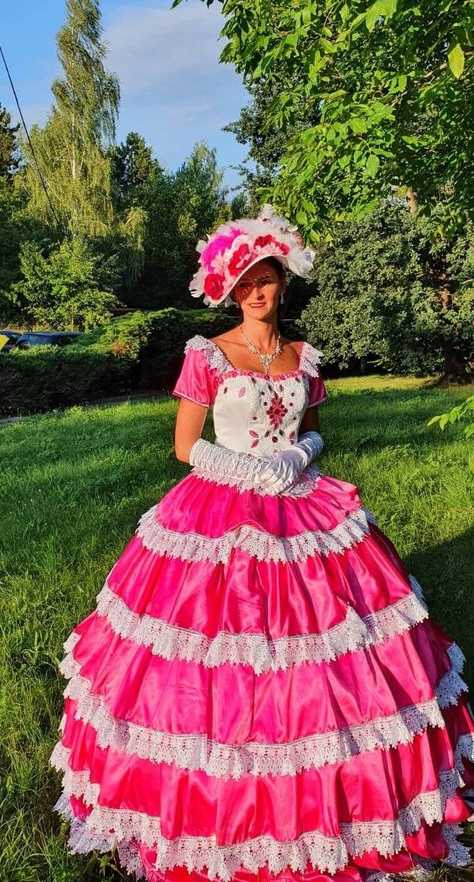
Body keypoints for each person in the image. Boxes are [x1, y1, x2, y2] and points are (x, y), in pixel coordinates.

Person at [50, 206, 474, 882]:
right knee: (223, 643)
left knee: (336, 637)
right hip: (223, 505)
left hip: (304, 503)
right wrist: (251, 471)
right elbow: (185, 446)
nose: (256, 291)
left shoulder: (305, 357)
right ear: (229, 285)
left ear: (283, 279)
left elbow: (312, 426)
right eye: (244, 280)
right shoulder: (208, 353)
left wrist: (302, 452)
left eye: (267, 278)